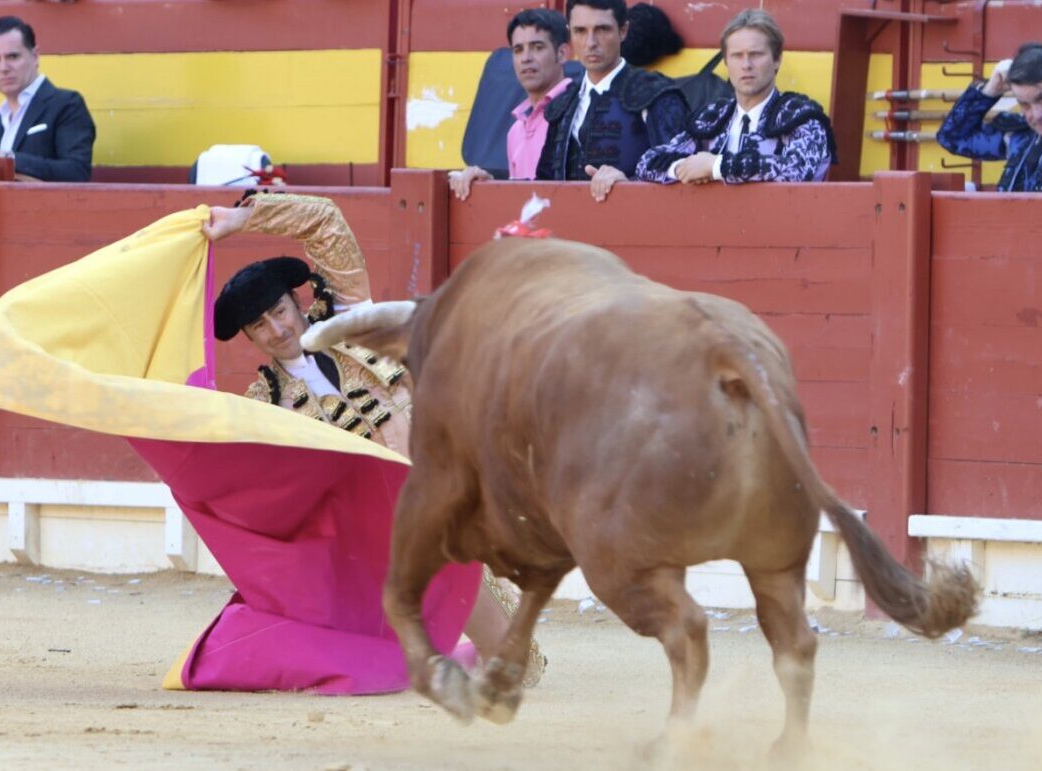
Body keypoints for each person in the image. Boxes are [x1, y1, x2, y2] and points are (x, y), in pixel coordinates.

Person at [204, 192, 545, 685]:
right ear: (249, 338)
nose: (277, 329)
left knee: (517, 664)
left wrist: (244, 218)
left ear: (298, 301)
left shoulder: (350, 319)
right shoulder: (264, 400)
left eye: (279, 310)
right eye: (259, 325)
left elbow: (325, 220)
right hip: (359, 536)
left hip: (433, 489)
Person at [636, 9, 835, 186]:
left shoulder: (803, 118)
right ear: (726, 62)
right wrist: (684, 168)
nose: (746, 65)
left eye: (756, 54)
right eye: (737, 56)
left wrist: (716, 166)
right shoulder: (713, 117)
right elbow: (648, 162)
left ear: (777, 60)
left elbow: (796, 171)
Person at [535, 0, 688, 202]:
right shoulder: (563, 104)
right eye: (580, 31)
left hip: (636, 224)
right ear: (569, 33)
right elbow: (543, 185)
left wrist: (630, 183)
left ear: (623, 31)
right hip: (568, 227)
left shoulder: (656, 94)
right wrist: (489, 182)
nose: (590, 42)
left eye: (602, 29)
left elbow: (683, 174)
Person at [450, 9, 573, 200]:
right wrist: (490, 182)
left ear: (562, 53)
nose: (526, 58)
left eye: (538, 47)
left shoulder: (580, 111)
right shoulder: (515, 130)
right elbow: (519, 201)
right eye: (518, 50)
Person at [0, 16, 95, 182]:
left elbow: (76, 173)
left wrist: (6, 158)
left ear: (35, 57)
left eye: (13, 57)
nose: (3, 68)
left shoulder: (67, 104)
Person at [937, 42, 1042, 193]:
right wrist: (990, 90)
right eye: (1025, 105)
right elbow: (952, 137)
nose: (1037, 115)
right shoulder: (1021, 138)